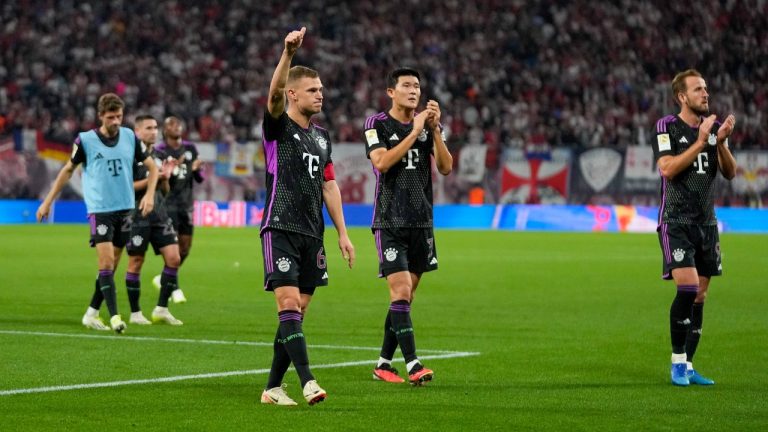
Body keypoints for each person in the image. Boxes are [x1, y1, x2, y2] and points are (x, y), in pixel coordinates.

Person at [259, 27, 355, 407]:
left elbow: (329, 186)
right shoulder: (278, 126)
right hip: (279, 225)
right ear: (293, 94)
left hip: (311, 233)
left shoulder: (322, 138)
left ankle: (271, 388)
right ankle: (308, 381)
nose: (321, 94)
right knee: (288, 306)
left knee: (296, 314)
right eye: (313, 90)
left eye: (322, 89)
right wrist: (287, 54)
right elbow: (271, 95)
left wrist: (342, 234)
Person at [36, 93, 159, 334]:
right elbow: (68, 170)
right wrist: (48, 201)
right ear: (101, 116)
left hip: (125, 208)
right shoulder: (85, 141)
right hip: (100, 209)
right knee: (106, 262)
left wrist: (150, 195)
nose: (116, 121)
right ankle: (115, 317)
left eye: (119, 117)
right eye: (111, 117)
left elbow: (153, 168)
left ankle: (91, 313)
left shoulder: (130, 137)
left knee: (111, 266)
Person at [363, 67, 453, 385]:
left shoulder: (427, 127)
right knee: (400, 291)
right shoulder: (377, 124)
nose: (414, 91)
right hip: (390, 221)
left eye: (417, 86)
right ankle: (414, 364)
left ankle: (383, 364)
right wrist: (414, 132)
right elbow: (382, 163)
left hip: (421, 223)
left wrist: (436, 129)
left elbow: (445, 167)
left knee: (404, 298)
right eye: (406, 86)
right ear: (391, 92)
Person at [652, 69, 737, 386]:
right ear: (682, 96)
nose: (706, 93)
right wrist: (701, 141)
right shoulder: (666, 127)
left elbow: (729, 173)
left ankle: (688, 365)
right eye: (698, 89)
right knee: (687, 287)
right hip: (676, 220)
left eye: (706, 88)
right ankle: (676, 363)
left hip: (706, 224)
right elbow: (668, 169)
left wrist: (721, 143)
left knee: (700, 296)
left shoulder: (713, 130)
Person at [123, 114, 184, 326]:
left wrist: (165, 178)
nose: (154, 131)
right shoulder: (129, 155)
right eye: (148, 128)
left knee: (174, 258)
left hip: (159, 214)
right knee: (136, 262)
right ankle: (135, 312)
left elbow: (165, 191)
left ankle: (161, 309)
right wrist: (153, 177)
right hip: (137, 216)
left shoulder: (159, 155)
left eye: (155, 127)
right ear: (137, 131)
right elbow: (126, 187)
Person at [152, 115, 205, 303]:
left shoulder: (190, 148)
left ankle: (164, 278)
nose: (177, 127)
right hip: (167, 205)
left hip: (186, 205)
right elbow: (164, 178)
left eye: (178, 123)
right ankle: (174, 288)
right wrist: (187, 168)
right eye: (172, 124)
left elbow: (199, 178)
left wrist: (197, 168)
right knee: (172, 249)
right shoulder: (159, 151)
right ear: (165, 130)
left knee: (185, 249)